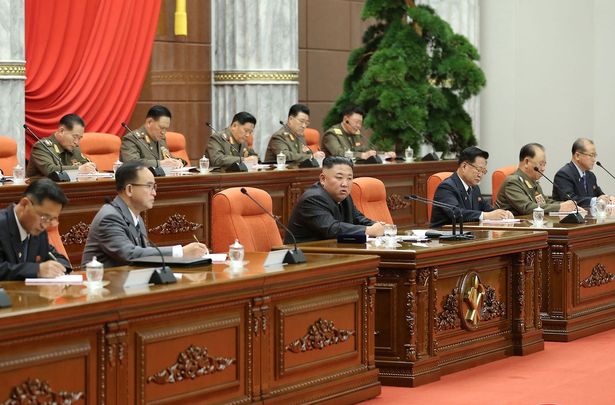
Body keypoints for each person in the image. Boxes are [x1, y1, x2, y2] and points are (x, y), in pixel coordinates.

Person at [82, 161, 208, 268]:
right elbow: (129, 255)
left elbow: (145, 255)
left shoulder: (136, 216)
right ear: (129, 189)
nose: (154, 193)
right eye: (149, 186)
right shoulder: (109, 217)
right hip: (102, 289)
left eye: (154, 187)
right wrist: (181, 252)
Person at [285, 156, 385, 243]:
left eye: (349, 178)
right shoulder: (313, 199)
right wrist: (368, 230)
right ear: (323, 179)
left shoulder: (344, 196)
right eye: (339, 178)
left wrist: (378, 226)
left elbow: (358, 218)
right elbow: (331, 228)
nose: (345, 184)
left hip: (331, 251)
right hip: (307, 255)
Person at [0, 179, 71, 280]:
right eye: (44, 217)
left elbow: (57, 258)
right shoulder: (2, 224)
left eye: (51, 219)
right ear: (25, 204)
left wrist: (58, 267)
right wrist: (36, 270)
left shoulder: (37, 231)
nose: (45, 225)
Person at [430, 146, 513, 228]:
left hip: (468, 235)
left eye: (483, 171)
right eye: (478, 169)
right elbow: (456, 213)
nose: (480, 175)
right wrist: (486, 216)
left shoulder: (474, 188)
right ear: (464, 166)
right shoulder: (446, 187)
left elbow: (486, 208)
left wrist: (503, 214)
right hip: (444, 237)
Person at [496, 143, 579, 215]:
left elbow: (545, 202)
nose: (543, 169)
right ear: (527, 162)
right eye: (540, 164)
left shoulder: (533, 182)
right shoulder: (512, 182)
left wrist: (568, 205)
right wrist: (560, 207)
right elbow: (527, 207)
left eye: (544, 164)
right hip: (512, 229)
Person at [26, 114, 97, 178]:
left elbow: (86, 165)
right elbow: (50, 171)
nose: (77, 143)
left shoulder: (74, 147)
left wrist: (91, 167)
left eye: (79, 138)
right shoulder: (42, 147)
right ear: (61, 131)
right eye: (75, 137)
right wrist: (79, 169)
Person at [553, 138, 615, 208]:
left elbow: (599, 195)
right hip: (568, 218)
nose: (594, 160)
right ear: (577, 156)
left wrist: (609, 198)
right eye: (591, 155)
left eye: (595, 155)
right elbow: (570, 200)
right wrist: (596, 200)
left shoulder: (590, 176)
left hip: (589, 217)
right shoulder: (563, 175)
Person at [120, 105, 185, 169]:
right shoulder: (132, 139)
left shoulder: (161, 138)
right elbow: (131, 163)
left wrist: (177, 162)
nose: (163, 132)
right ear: (149, 122)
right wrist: (159, 164)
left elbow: (167, 158)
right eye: (161, 128)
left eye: (166, 129)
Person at [322, 106, 396, 160]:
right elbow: (339, 154)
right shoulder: (331, 134)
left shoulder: (356, 133)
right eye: (356, 122)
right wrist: (362, 155)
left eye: (360, 123)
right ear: (346, 120)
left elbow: (365, 150)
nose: (358, 126)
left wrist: (384, 154)